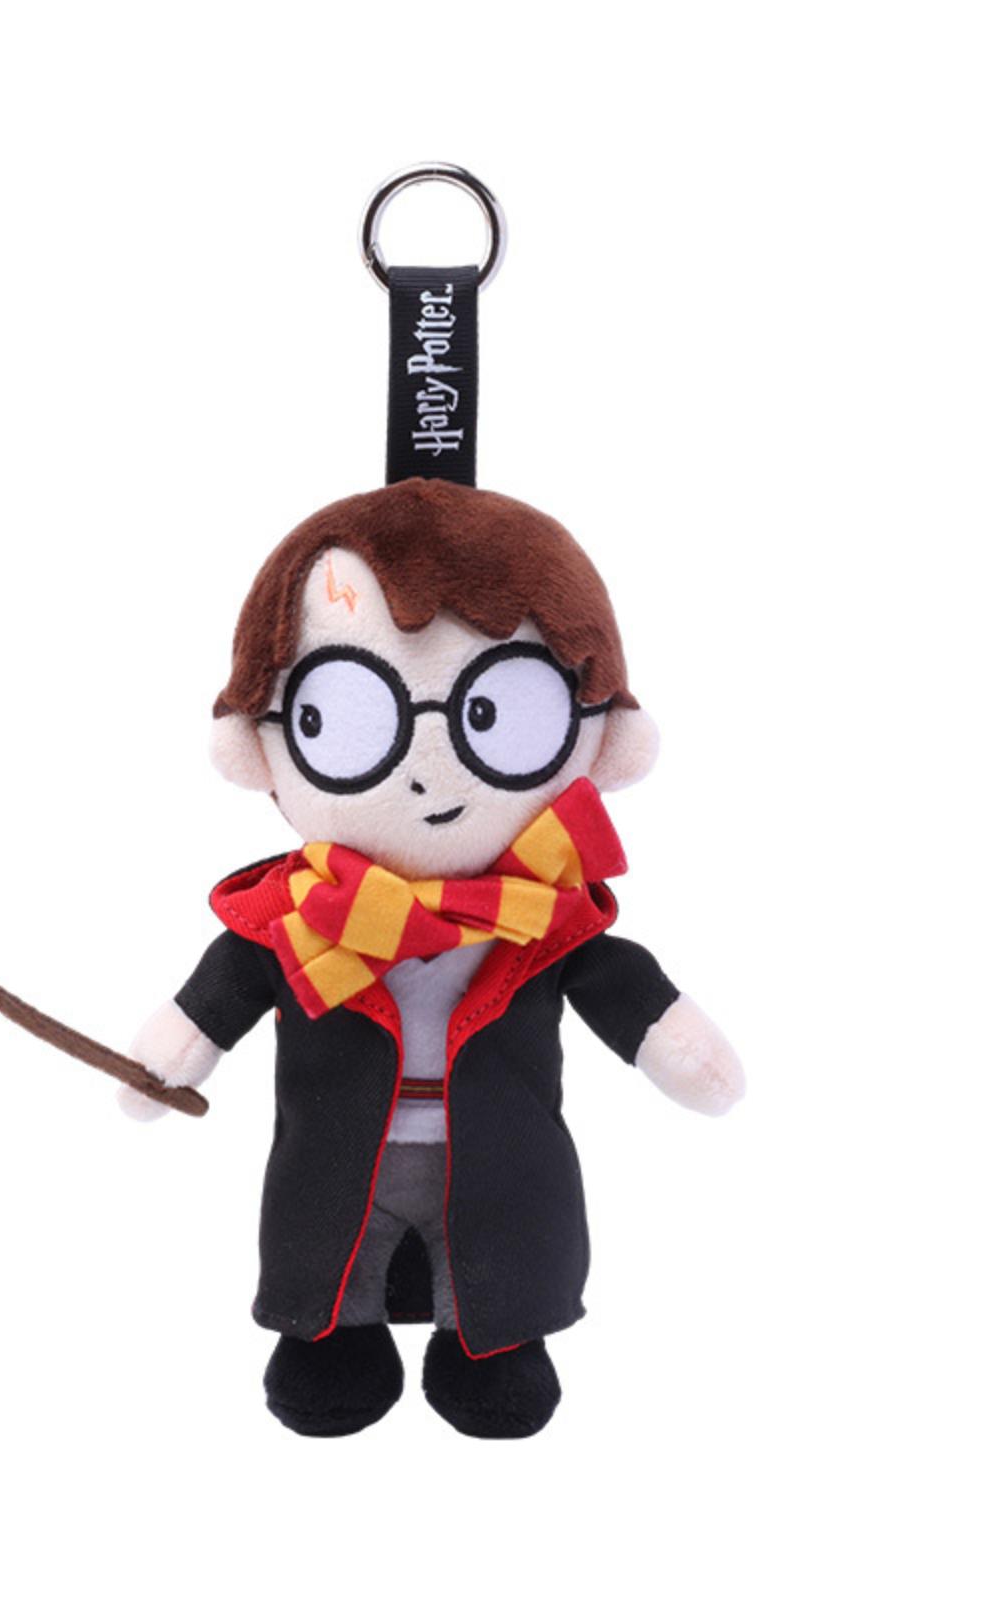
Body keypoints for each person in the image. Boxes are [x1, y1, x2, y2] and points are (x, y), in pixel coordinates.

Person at [123, 477, 745, 1438]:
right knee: (327, 1248)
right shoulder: (295, 920)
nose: (426, 772)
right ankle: (334, 1337)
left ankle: (489, 1344)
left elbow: (627, 993)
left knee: (501, 1255)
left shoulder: (546, 920)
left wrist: (684, 1052)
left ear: (605, 739)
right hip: (338, 1156)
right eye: (349, 719)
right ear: (258, 745)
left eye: (499, 714)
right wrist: (160, 1066)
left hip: (500, 1160)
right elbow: (214, 1001)